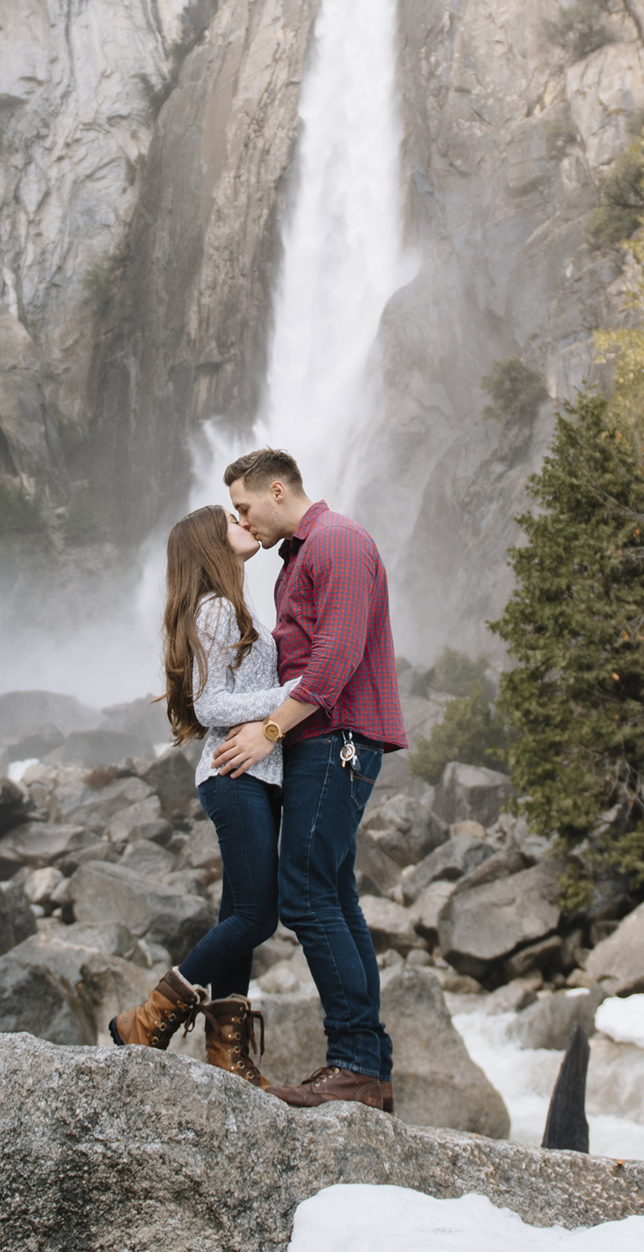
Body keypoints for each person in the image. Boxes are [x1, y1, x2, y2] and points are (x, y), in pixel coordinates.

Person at [210, 446, 406, 1111]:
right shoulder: (299, 558)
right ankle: (366, 1068)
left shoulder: (339, 541)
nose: (242, 521)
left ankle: (354, 1060)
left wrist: (265, 732)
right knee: (332, 892)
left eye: (243, 507)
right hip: (321, 740)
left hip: (340, 739)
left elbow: (335, 661)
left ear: (275, 490)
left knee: (303, 894)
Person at [107, 504, 301, 1085]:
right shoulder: (217, 609)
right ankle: (147, 1021)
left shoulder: (232, 606)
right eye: (232, 522)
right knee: (257, 916)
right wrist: (291, 693)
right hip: (233, 777)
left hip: (254, 777)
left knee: (238, 913)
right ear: (211, 546)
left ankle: (227, 1054)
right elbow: (209, 704)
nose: (245, 523)